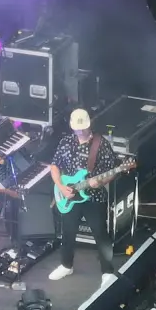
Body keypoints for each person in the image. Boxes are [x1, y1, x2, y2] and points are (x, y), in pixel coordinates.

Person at [47, 108, 128, 282]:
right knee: (68, 233)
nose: (80, 131)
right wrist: (61, 187)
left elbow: (113, 171)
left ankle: (107, 271)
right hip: (68, 196)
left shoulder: (101, 144)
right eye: (77, 128)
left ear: (89, 124)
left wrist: (100, 182)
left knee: (100, 233)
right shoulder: (66, 142)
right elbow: (54, 166)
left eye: (83, 127)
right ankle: (66, 265)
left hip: (94, 197)